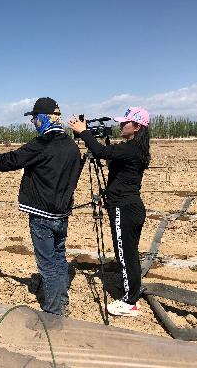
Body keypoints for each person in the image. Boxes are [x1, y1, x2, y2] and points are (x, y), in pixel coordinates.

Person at [0, 97, 81, 316]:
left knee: (47, 264)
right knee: (59, 259)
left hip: (42, 215)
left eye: (34, 119)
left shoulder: (42, 143)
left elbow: (12, 160)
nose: (33, 123)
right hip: (62, 214)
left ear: (41, 118)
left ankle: (53, 312)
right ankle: (61, 301)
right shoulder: (71, 145)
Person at [68, 107, 151, 317]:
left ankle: (129, 302)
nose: (121, 125)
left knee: (124, 255)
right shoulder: (133, 148)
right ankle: (132, 292)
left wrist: (83, 132)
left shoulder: (132, 149)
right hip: (128, 207)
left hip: (125, 208)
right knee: (129, 255)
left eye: (125, 122)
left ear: (137, 127)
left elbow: (101, 152)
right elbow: (109, 154)